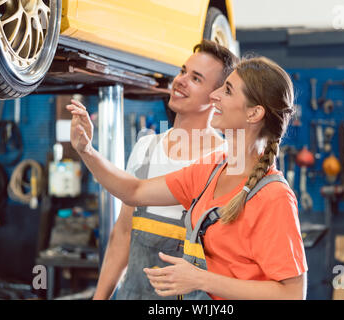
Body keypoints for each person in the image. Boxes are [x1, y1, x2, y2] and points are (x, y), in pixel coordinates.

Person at [67, 56, 308, 300]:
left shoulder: (274, 197)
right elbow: (135, 191)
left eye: (227, 90)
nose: (214, 96)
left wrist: (202, 279)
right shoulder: (212, 170)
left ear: (254, 113)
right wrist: (87, 151)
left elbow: (292, 294)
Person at [90, 40, 238, 300]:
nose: (180, 80)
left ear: (215, 97)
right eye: (183, 71)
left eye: (196, 78)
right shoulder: (146, 148)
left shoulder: (226, 163)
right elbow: (124, 233)